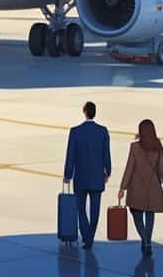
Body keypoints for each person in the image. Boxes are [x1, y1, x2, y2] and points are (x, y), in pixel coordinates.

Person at [118, 119, 163, 258]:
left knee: (136, 213)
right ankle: (148, 240)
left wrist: (123, 187)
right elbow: (162, 168)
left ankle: (145, 239)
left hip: (136, 186)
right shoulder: (157, 147)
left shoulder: (134, 147)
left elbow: (130, 167)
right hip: (153, 186)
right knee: (150, 214)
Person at [64, 101, 112, 250]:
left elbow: (70, 155)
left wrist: (68, 174)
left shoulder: (75, 131)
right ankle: (90, 237)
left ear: (84, 112)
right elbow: (106, 154)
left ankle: (86, 236)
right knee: (95, 210)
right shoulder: (103, 131)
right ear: (94, 112)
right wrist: (107, 171)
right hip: (97, 177)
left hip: (81, 177)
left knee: (81, 209)